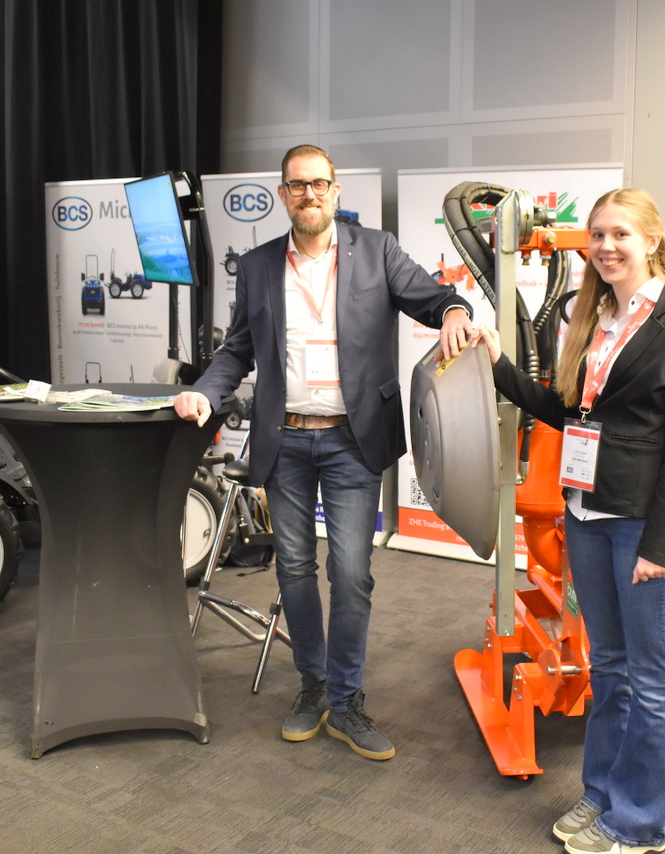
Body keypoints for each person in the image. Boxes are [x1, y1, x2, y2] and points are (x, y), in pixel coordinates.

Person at [173, 144, 473, 761]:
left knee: (351, 573)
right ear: (283, 195)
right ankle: (313, 686)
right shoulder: (257, 265)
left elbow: (431, 295)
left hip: (351, 439)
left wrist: (453, 311)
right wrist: (204, 390)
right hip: (284, 439)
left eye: (318, 184)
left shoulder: (377, 251)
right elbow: (238, 348)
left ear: (335, 191)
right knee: (293, 568)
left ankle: (347, 699)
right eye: (297, 185)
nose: (308, 194)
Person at [470, 188, 665, 853]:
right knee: (607, 667)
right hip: (586, 514)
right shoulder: (597, 315)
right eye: (597, 236)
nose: (606, 247)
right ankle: (602, 794)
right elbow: (568, 413)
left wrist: (660, 544)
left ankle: (640, 823)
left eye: (620, 235)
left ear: (652, 241)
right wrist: (497, 363)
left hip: (642, 526)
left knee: (652, 681)